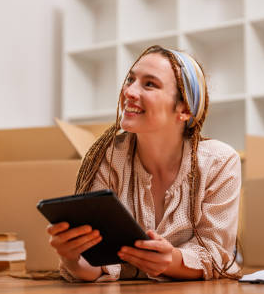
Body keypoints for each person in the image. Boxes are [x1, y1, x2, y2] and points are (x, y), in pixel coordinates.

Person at [47, 45, 241, 282]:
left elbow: (216, 253)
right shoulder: (108, 158)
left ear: (184, 109)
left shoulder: (219, 163)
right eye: (130, 79)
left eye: (149, 84)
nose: (129, 91)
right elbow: (97, 266)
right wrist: (72, 258)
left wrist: (171, 261)